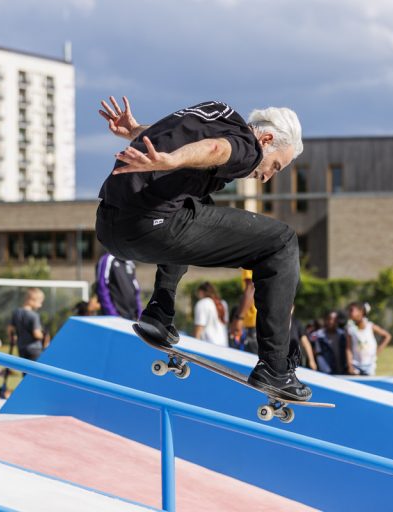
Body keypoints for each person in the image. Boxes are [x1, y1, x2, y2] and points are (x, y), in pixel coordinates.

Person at [96, 96, 310, 401]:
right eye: (275, 165)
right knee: (282, 242)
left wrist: (136, 131)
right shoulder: (248, 148)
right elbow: (216, 150)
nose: (266, 176)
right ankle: (275, 368)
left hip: (108, 225)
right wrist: (171, 161)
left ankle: (159, 314)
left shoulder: (215, 112)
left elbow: (170, 133)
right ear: (266, 138)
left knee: (196, 202)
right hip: (149, 226)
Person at [345, 302, 392, 376]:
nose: (349, 313)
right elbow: (348, 348)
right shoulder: (350, 329)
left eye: (352, 310)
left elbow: (387, 336)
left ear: (361, 312)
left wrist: (377, 352)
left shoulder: (370, 326)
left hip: (369, 366)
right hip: (356, 366)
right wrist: (350, 365)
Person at [96, 253, 142, 321]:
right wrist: (112, 314)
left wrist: (139, 313)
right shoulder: (108, 259)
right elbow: (102, 287)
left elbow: (136, 290)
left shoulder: (130, 263)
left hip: (132, 317)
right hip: (116, 317)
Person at [8, 288, 47, 363]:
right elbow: (36, 334)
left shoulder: (16, 312)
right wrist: (43, 335)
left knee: (25, 370)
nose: (40, 305)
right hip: (34, 349)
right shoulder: (34, 315)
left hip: (21, 347)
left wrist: (12, 338)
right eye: (40, 302)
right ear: (32, 300)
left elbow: (10, 328)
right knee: (35, 372)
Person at [310, 310, 349, 375]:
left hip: (342, 372)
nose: (332, 322)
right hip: (324, 372)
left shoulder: (343, 335)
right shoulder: (317, 335)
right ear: (325, 320)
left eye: (335, 320)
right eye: (330, 319)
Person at [193, 282, 229, 347]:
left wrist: (195, 346)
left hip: (208, 346)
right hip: (224, 345)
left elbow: (199, 327)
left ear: (201, 292)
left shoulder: (202, 303)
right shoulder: (223, 303)